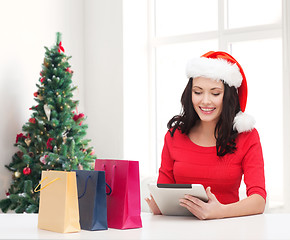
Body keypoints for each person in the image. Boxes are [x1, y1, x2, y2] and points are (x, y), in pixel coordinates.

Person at [145, 51, 266, 220]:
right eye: (198, 92)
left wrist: (218, 212)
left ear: (228, 96)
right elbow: (164, 190)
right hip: (179, 231)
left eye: (215, 93)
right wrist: (160, 207)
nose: (205, 101)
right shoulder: (174, 136)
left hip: (227, 229)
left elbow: (258, 200)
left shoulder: (247, 137)